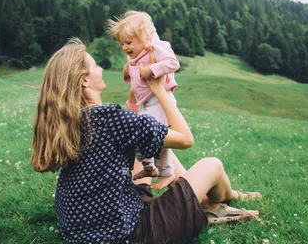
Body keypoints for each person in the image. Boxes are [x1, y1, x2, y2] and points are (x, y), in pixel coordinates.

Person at [31, 38, 261, 243]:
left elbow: (120, 147)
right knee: (212, 165)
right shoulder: (110, 118)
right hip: (130, 232)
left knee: (150, 148)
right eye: (95, 66)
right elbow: (185, 138)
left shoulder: (71, 120)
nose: (100, 68)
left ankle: (206, 203)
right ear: (84, 81)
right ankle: (224, 197)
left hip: (81, 228)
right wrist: (159, 89)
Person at [106, 11, 179, 189]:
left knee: (155, 139)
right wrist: (126, 72)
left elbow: (173, 63)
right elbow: (135, 77)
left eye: (128, 43)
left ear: (146, 38)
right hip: (149, 103)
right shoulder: (134, 55)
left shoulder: (156, 47)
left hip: (161, 102)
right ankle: (149, 168)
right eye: (122, 43)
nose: (125, 47)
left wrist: (153, 69)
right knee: (141, 139)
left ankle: (167, 173)